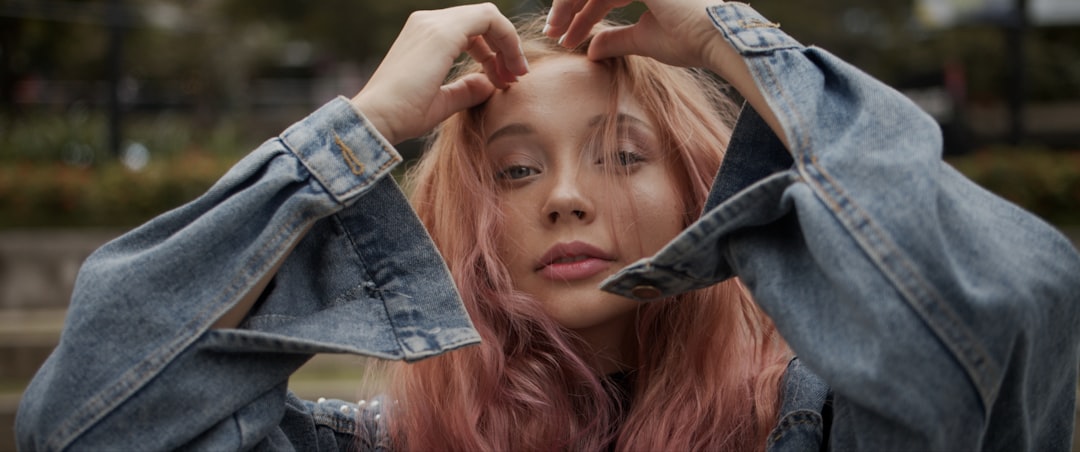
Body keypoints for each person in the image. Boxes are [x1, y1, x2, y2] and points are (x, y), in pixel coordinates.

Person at [16, 0, 1080, 450]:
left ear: (704, 193)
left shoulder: (813, 426)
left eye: (623, 154)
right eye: (515, 169)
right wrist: (365, 129)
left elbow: (1011, 308)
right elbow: (89, 421)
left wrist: (730, 46)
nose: (567, 196)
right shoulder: (376, 440)